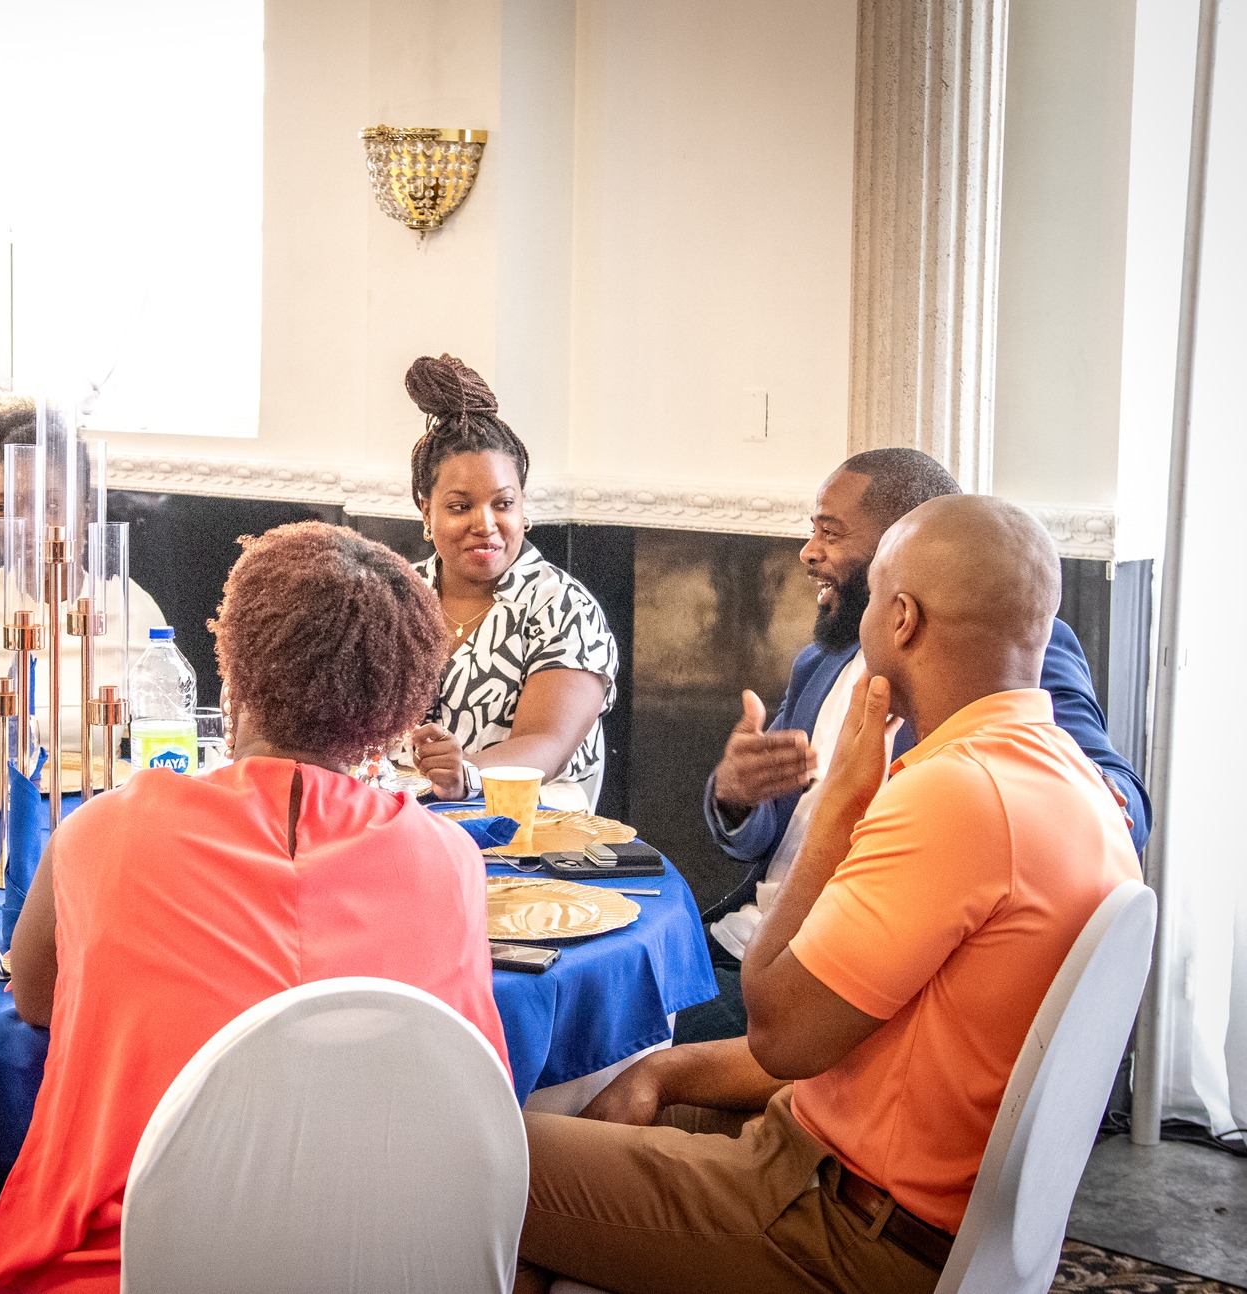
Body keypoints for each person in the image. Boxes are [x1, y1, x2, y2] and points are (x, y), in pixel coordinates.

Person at [514, 494, 1143, 1294]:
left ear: (903, 619)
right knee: (604, 1111)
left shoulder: (957, 792)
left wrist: (842, 805)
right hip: (869, 1182)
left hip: (839, 1225)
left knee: (487, 1152)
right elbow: (846, 1039)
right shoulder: (1077, 784)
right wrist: (664, 1076)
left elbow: (780, 1032)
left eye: (875, 598)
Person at [0, 520, 508, 1294]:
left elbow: (35, 1000)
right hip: (381, 1268)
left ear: (233, 672)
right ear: (393, 715)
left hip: (123, 1272)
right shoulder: (451, 860)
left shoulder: (100, 833)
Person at [682, 448, 1149, 1042]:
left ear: (906, 550)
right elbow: (769, 829)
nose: (809, 552)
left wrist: (1083, 801)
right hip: (742, 935)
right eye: (812, 530)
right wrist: (737, 795)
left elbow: (1114, 796)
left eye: (831, 533)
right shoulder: (823, 658)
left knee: (599, 1039)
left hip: (825, 977)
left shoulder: (1009, 641)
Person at [401, 355, 620, 811]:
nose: (486, 524)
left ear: (523, 506)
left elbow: (549, 741)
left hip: (528, 822)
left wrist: (465, 776)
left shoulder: (563, 607)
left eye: (503, 503)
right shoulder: (399, 596)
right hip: (402, 812)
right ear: (427, 510)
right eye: (460, 507)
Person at [0, 401, 167, 765]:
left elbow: (164, 756)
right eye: (4, 507)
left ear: (85, 513)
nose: (24, 526)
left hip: (93, 813)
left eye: (48, 505)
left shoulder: (131, 609)